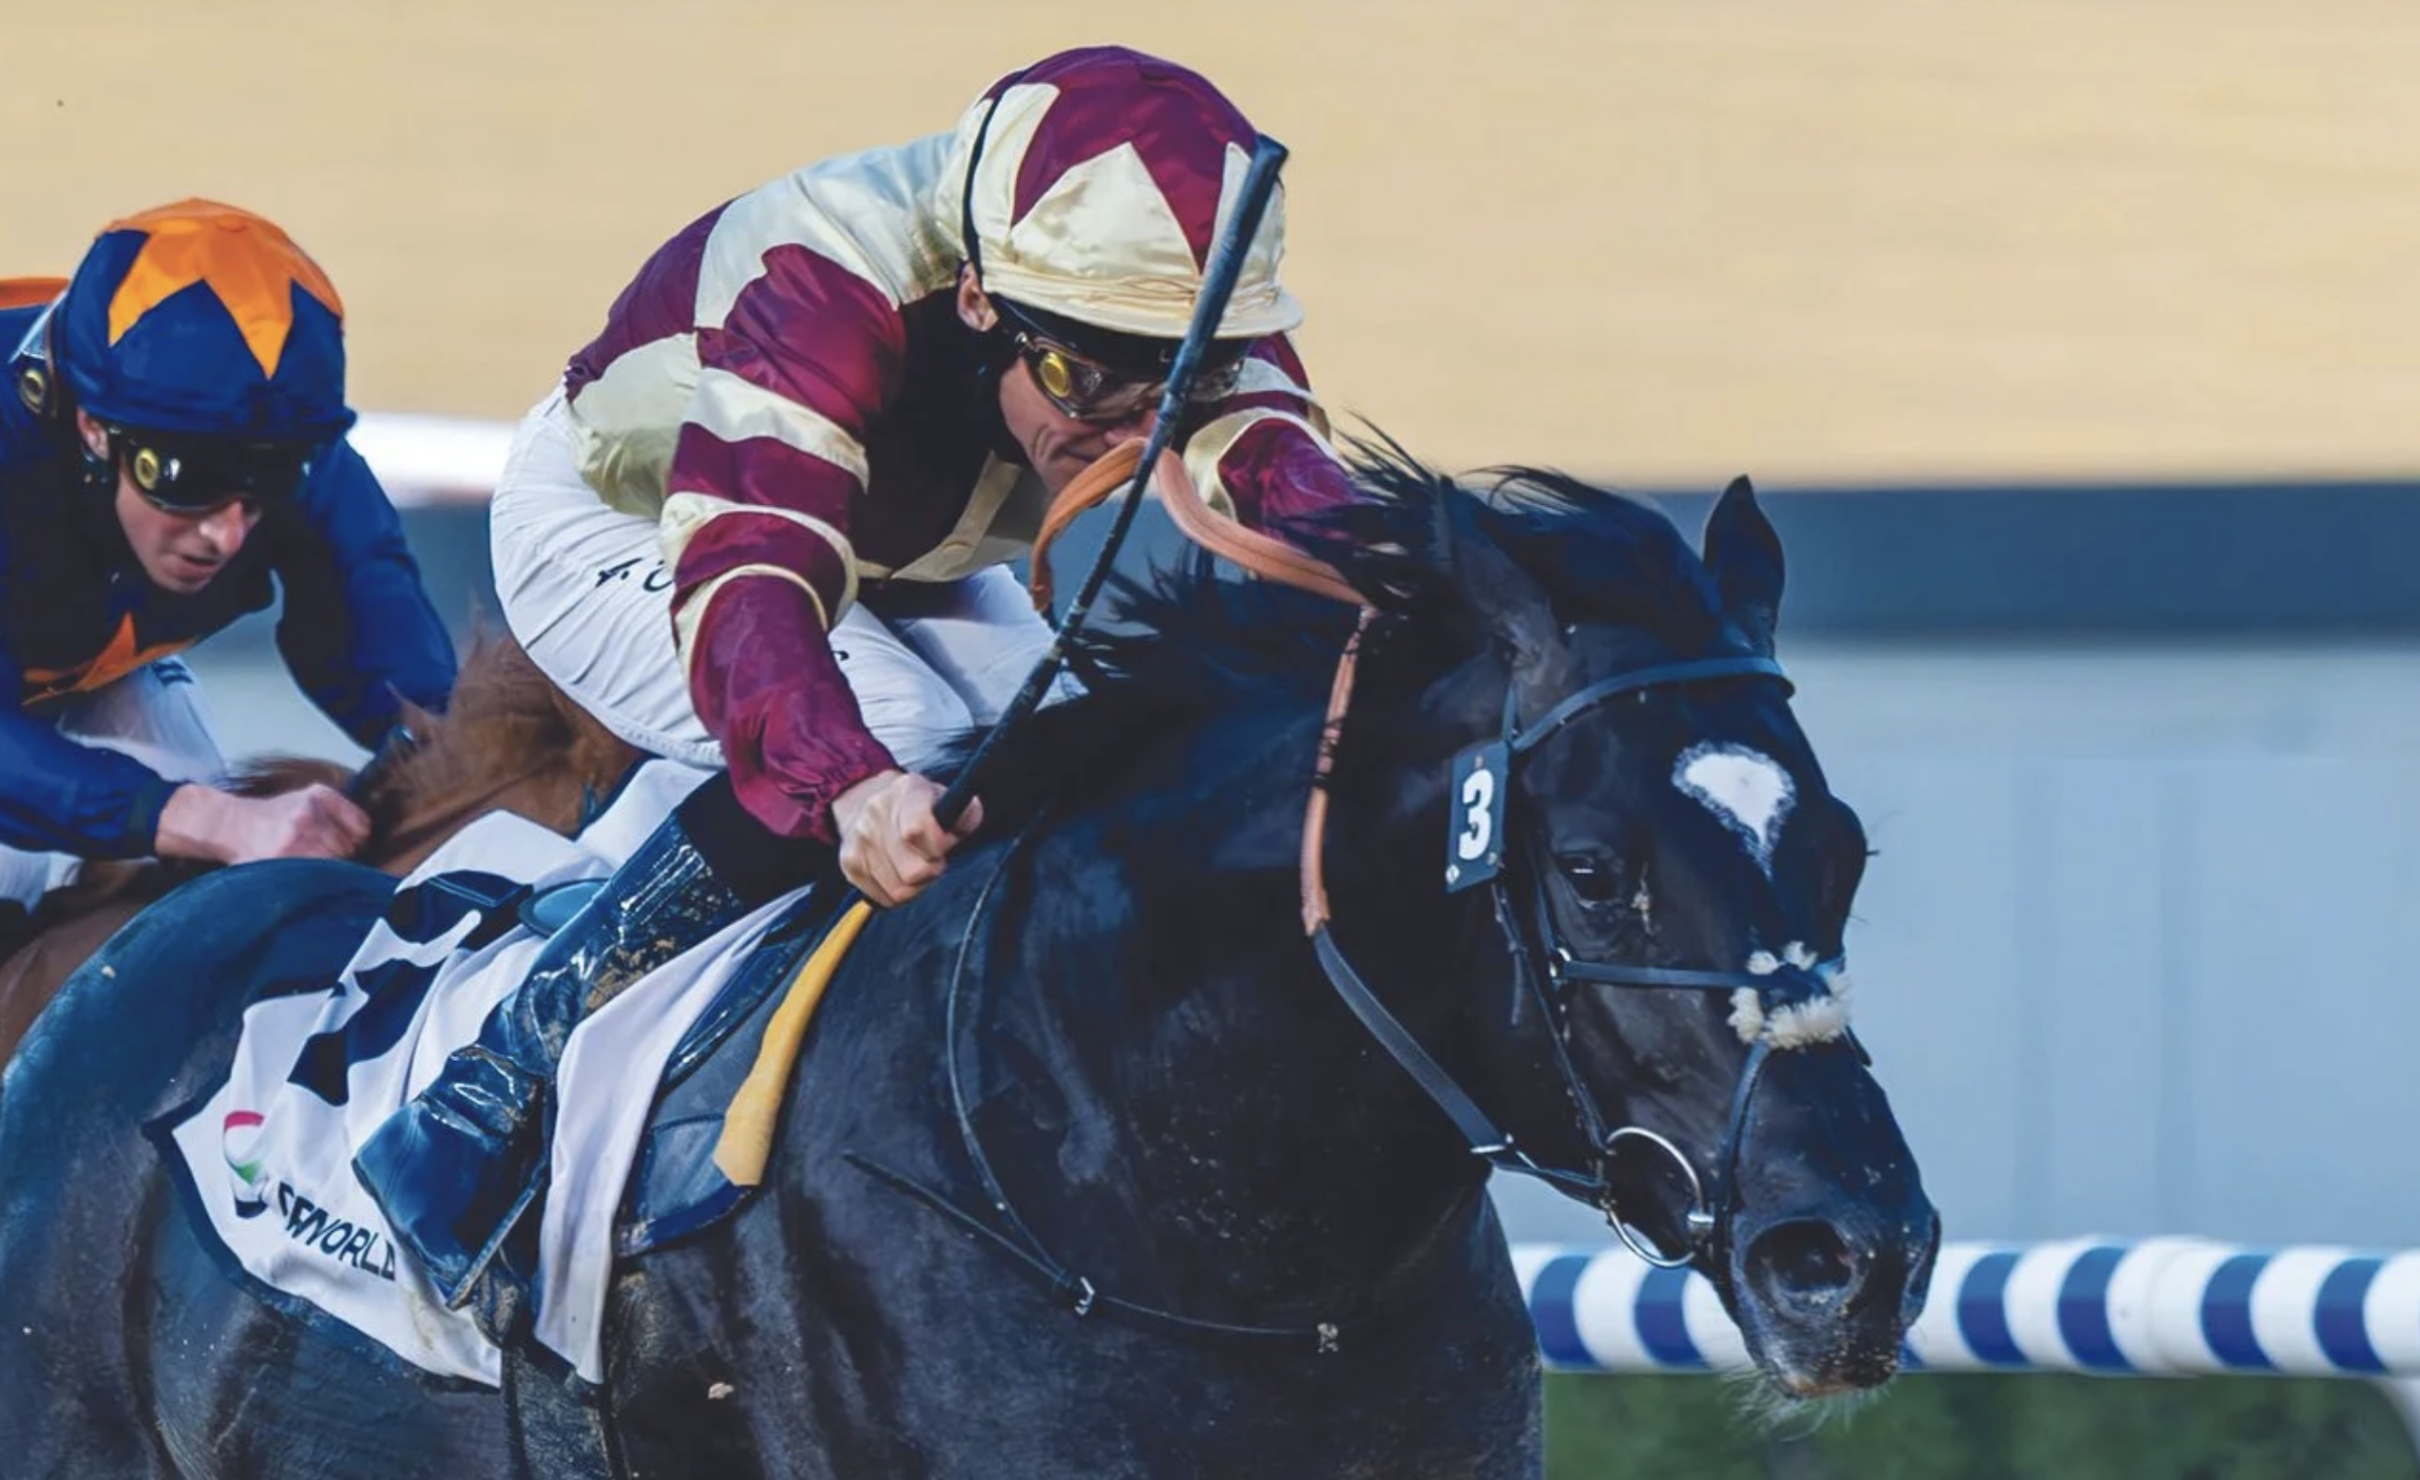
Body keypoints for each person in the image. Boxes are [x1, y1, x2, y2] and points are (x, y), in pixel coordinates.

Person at [357, 44, 1369, 1319]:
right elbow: (756, 578)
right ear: (979, 301)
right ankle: (499, 1076)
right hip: (649, 523)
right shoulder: (817, 269)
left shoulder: (1171, 302)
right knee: (904, 732)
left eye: (1166, 385)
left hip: (896, 549)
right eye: (1079, 380)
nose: (1120, 434)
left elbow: (1306, 504)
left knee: (1079, 741)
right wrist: (846, 786)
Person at [0, 201, 458, 949]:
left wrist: (462, 762)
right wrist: (212, 818)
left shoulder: (271, 431)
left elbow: (393, 666)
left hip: (72, 667)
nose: (226, 533)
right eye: (182, 477)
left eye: (269, 481)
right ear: (90, 427)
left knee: (198, 894)